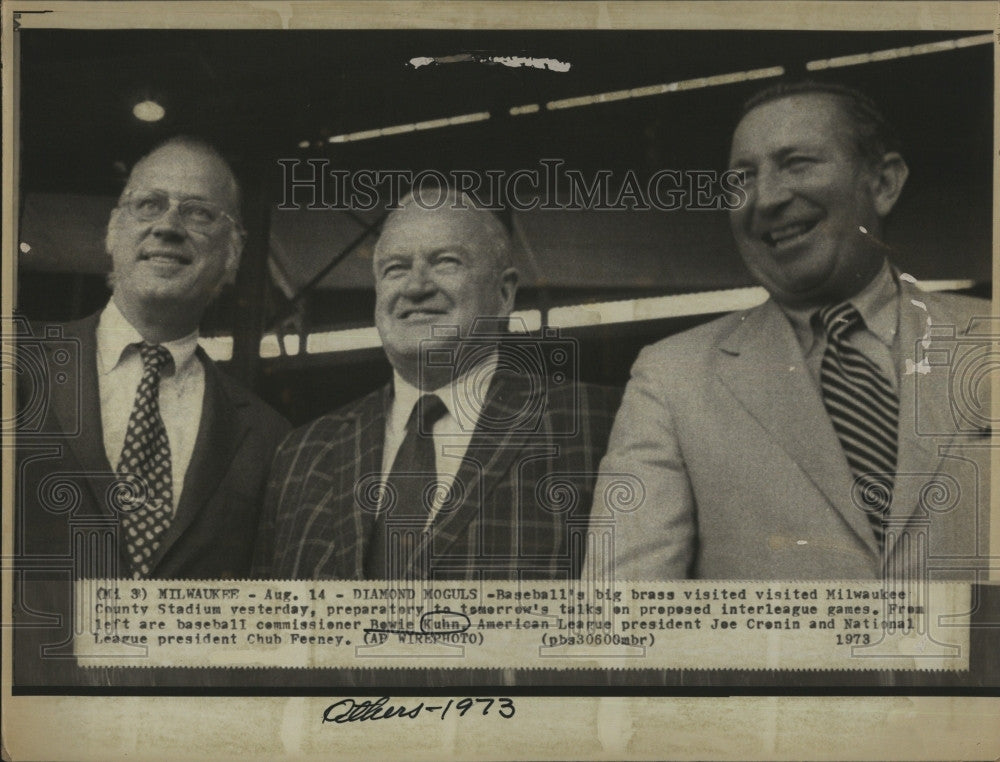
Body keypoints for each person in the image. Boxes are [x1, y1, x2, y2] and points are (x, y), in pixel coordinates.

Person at [591, 81, 990, 579]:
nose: (766, 198)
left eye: (797, 163)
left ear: (884, 183)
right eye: (743, 176)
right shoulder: (672, 379)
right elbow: (623, 618)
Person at [15, 138, 290, 682]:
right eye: (149, 205)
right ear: (112, 232)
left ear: (232, 256)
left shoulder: (268, 438)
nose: (168, 225)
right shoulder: (17, 375)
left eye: (198, 212)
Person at [254, 188, 619, 580]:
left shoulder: (599, 422)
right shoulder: (302, 453)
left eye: (445, 262)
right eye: (395, 269)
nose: (415, 287)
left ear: (503, 293)